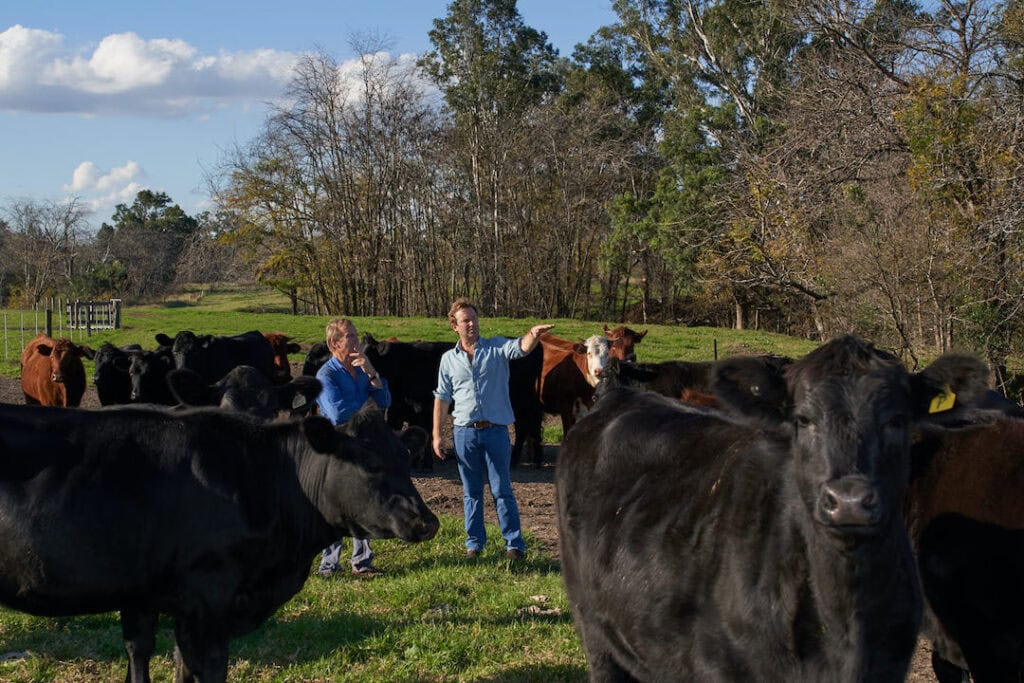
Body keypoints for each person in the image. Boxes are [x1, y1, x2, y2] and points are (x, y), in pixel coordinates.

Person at [432, 297, 553, 560]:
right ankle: (474, 544)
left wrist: (532, 334)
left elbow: (520, 348)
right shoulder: (448, 360)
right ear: (455, 326)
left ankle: (514, 544)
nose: (472, 324)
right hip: (464, 432)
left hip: (496, 431)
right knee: (471, 492)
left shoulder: (496, 348)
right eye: (466, 320)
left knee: (502, 489)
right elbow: (442, 397)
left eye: (474, 319)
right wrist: (437, 435)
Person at [315, 318, 391, 578]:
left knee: (363, 500)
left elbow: (385, 399)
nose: (356, 340)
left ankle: (362, 561)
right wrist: (368, 410)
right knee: (334, 504)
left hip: (363, 444)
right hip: (337, 446)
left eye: (356, 335)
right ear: (335, 343)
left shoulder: (361, 369)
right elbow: (337, 413)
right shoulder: (326, 375)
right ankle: (328, 565)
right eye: (350, 336)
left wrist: (371, 372)